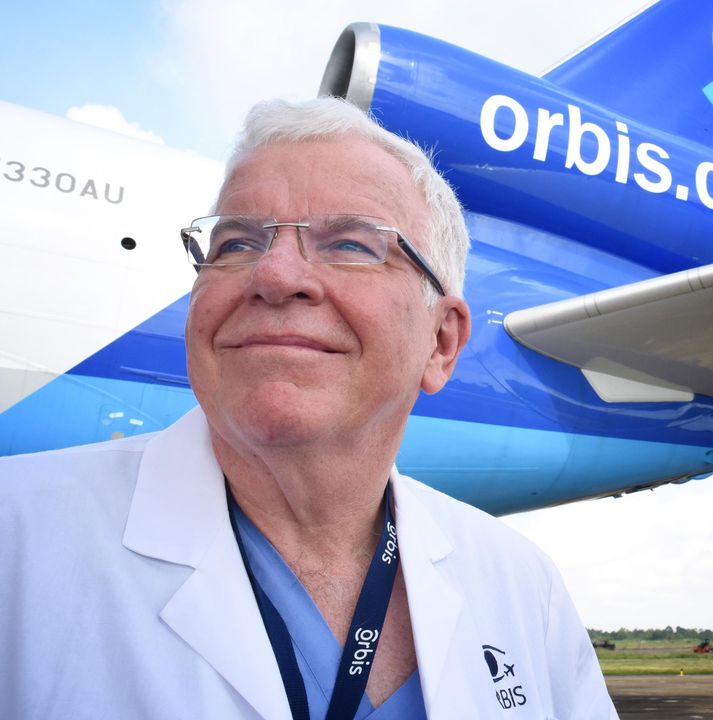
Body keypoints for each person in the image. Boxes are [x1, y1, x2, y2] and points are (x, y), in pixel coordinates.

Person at [0, 97, 617, 719]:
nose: (272, 273)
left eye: (351, 243)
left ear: (441, 342)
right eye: (237, 242)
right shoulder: (16, 539)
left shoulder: (522, 587)